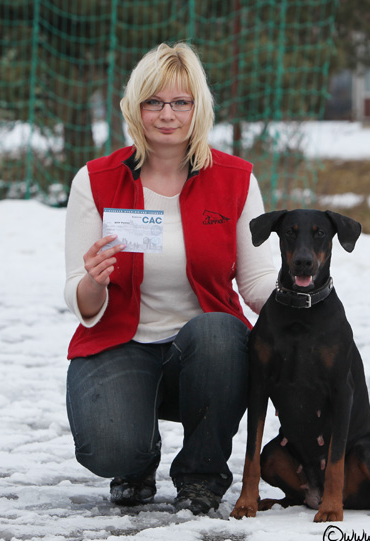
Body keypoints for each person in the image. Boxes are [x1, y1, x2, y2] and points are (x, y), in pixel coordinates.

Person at [64, 42, 277, 515]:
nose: (167, 115)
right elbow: (79, 296)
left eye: (181, 102)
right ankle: (137, 460)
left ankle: (201, 476)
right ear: (134, 107)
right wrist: (94, 280)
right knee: (110, 449)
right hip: (120, 341)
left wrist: (302, 299)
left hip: (207, 352)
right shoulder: (95, 179)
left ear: (199, 108)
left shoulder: (236, 178)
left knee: (220, 332)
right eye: (154, 102)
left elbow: (257, 280)